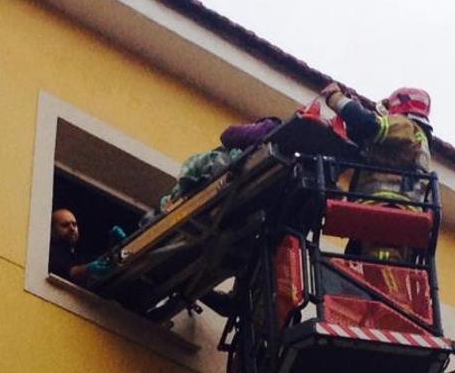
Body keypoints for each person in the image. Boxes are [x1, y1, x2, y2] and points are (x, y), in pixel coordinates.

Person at [321, 83, 434, 261]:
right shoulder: (418, 141)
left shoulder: (405, 126)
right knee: (358, 259)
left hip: (386, 212)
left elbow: (369, 124)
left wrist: (335, 98)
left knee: (373, 266)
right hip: (401, 217)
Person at [138, 117, 282, 228]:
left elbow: (228, 135)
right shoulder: (281, 164)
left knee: (218, 162)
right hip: (234, 195)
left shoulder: (270, 127)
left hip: (226, 182)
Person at [49, 208, 113, 283]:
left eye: (74, 224)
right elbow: (71, 273)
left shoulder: (80, 256)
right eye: (65, 225)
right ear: (52, 231)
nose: (72, 228)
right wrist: (89, 269)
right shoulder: (50, 253)